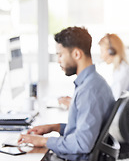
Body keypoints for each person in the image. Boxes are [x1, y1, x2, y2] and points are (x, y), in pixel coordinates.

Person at [18, 26, 115, 161]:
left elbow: (82, 144)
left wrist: (43, 141)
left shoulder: (89, 90)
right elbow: (83, 130)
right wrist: (54, 127)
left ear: (76, 54)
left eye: (60, 54)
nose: (58, 60)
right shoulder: (93, 82)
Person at [98, 33, 129, 100]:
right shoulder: (123, 68)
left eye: (102, 51)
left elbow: (115, 98)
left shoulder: (123, 72)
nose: (101, 56)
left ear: (111, 51)